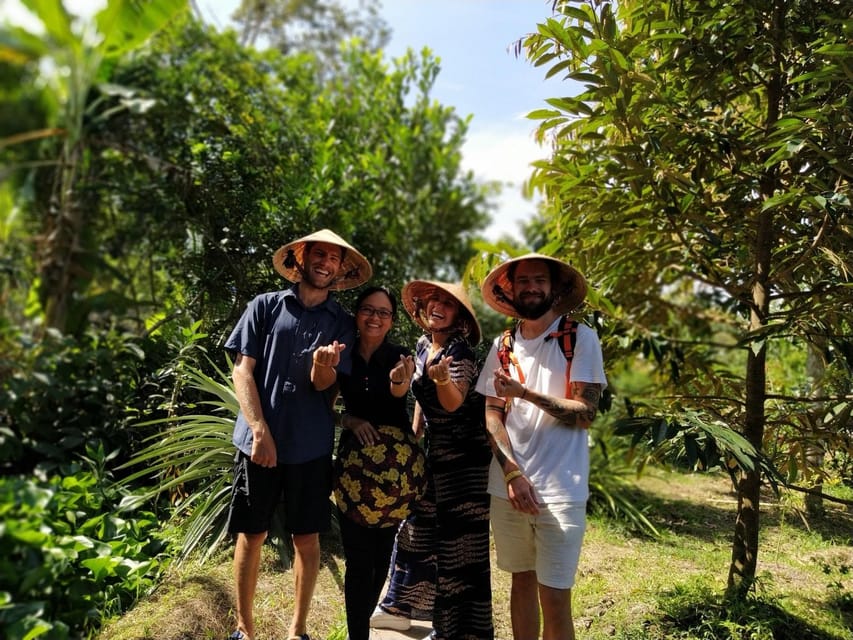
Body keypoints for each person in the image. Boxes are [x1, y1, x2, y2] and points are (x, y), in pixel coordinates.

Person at [223, 228, 371, 640]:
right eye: (318, 255)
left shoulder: (342, 323)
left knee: (306, 537)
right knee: (251, 535)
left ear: (341, 269)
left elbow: (326, 387)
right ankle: (244, 629)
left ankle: (298, 630)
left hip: (309, 446)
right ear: (300, 258)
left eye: (334, 259)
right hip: (257, 445)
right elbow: (242, 370)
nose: (325, 263)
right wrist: (258, 430)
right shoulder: (265, 306)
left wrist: (322, 366)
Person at [474, 253, 607, 640]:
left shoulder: (579, 338)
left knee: (555, 596)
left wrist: (526, 393)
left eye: (540, 281)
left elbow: (586, 412)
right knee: (520, 583)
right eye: (524, 282)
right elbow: (492, 414)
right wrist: (513, 474)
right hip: (508, 488)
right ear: (510, 290)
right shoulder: (502, 345)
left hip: (560, 490)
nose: (531, 288)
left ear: (554, 289)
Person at [373, 280, 494, 640]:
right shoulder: (425, 345)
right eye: (433, 300)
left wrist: (441, 382)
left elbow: (454, 402)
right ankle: (399, 607)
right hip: (434, 458)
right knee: (415, 531)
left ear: (459, 316)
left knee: (460, 549)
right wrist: (412, 441)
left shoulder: (462, 353)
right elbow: (422, 405)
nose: (438, 306)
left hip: (466, 463)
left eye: (448, 303)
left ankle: (458, 632)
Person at [332, 285, 425, 640]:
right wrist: (350, 421)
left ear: (391, 321)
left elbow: (399, 389)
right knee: (357, 560)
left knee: (380, 556)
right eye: (368, 310)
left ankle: (361, 625)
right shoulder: (342, 355)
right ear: (357, 314)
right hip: (354, 473)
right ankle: (358, 635)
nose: (375, 317)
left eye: (383, 312)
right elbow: (327, 407)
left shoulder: (400, 356)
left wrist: (401, 380)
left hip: (395, 477)